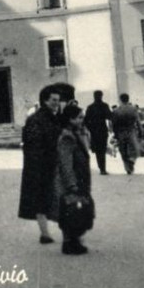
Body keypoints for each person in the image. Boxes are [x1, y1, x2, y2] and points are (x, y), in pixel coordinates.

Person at [18, 85, 62, 243]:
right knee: (46, 199)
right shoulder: (38, 119)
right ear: (45, 101)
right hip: (43, 165)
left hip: (46, 164)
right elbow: (33, 144)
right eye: (53, 100)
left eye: (58, 100)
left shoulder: (52, 117)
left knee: (42, 200)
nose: (56, 103)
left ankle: (45, 233)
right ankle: (47, 233)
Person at [55, 102, 94, 255]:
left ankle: (73, 241)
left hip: (80, 179)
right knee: (72, 211)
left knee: (78, 209)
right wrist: (71, 184)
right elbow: (65, 163)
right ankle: (70, 243)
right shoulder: (67, 137)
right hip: (73, 181)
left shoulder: (76, 133)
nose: (81, 121)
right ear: (70, 119)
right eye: (78, 118)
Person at [111, 93, 142, 175]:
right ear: (128, 99)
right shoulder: (133, 109)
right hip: (131, 131)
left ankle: (127, 168)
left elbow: (114, 124)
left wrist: (115, 134)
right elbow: (138, 122)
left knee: (123, 150)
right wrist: (141, 131)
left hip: (121, 132)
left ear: (120, 100)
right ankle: (132, 161)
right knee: (135, 149)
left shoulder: (116, 111)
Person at [84, 90, 113, 175]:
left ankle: (101, 167)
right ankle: (102, 168)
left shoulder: (90, 107)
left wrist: (90, 128)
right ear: (101, 96)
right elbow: (110, 116)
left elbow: (86, 120)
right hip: (102, 130)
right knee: (102, 150)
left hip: (94, 132)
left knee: (97, 151)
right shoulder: (104, 106)